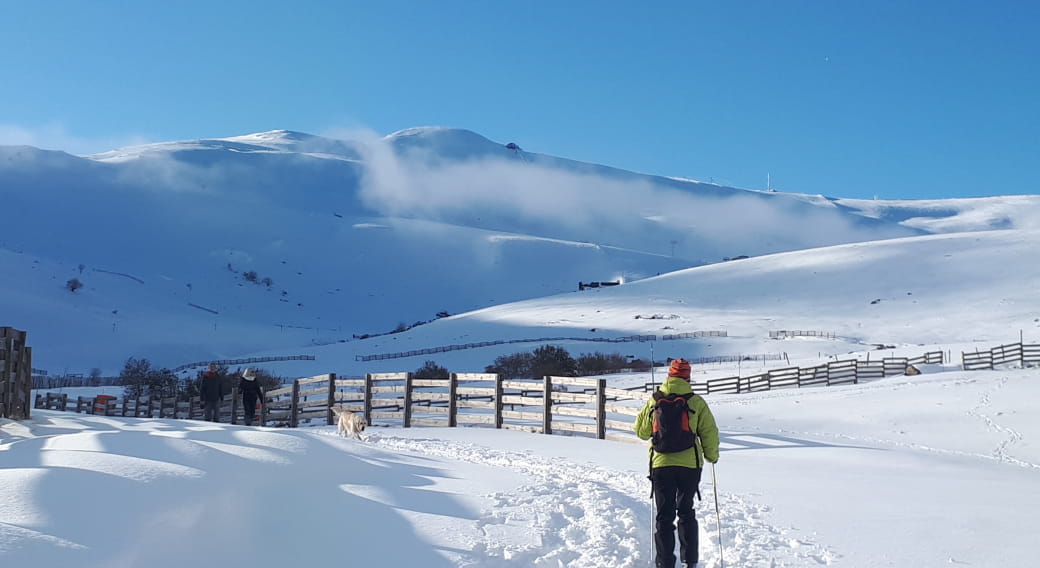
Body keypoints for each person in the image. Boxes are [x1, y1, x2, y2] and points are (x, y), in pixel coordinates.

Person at [634, 358, 720, 568]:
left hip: (661, 464)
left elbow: (641, 432)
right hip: (689, 466)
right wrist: (712, 456)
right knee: (686, 511)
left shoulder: (655, 400)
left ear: (669, 375)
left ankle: (665, 563)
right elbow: (709, 433)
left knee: (664, 516)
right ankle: (689, 561)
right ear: (688, 377)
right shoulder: (696, 402)